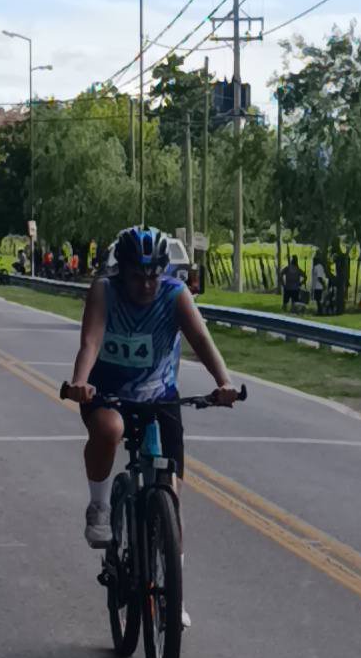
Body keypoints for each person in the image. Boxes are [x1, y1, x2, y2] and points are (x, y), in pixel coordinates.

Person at [63, 225, 242, 615]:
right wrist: (80, 382)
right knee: (110, 429)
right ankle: (100, 506)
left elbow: (201, 340)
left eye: (153, 276)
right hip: (107, 393)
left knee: (171, 500)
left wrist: (224, 382)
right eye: (136, 276)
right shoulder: (104, 291)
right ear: (121, 272)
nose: (145, 285)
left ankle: (173, 598)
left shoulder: (175, 295)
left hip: (160, 398)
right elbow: (90, 341)